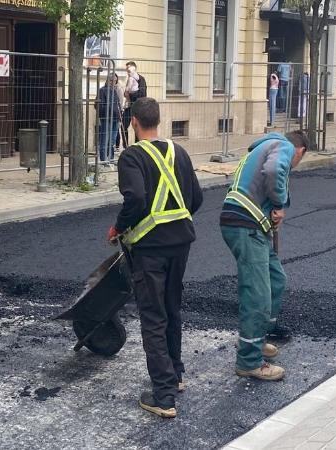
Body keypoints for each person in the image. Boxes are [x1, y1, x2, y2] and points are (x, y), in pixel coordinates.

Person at [107, 97, 203, 418]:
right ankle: (174, 376)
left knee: (153, 316)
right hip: (181, 244)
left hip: (150, 250)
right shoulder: (180, 152)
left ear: (134, 122)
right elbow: (197, 198)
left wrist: (119, 227)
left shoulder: (131, 157)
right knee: (172, 307)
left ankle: (163, 397)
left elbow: (135, 198)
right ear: (158, 120)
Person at [220, 129, 309, 381]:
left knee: (276, 278)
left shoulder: (263, 148)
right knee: (257, 293)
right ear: (300, 151)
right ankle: (249, 360)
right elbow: (273, 172)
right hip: (244, 226)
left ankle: (257, 339)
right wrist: (279, 204)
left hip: (247, 223)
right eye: (298, 160)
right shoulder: (284, 146)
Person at [95, 72, 121, 164]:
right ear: (107, 80)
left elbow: (117, 104)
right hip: (106, 118)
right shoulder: (102, 90)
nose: (113, 83)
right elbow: (97, 105)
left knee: (112, 140)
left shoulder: (114, 91)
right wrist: (108, 110)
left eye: (115, 81)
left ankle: (111, 158)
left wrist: (119, 114)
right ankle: (103, 160)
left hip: (115, 118)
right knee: (105, 138)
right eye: (111, 81)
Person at [122, 61, 145, 145]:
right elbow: (126, 93)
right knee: (123, 126)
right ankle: (125, 146)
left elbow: (142, 94)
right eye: (127, 69)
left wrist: (130, 94)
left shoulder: (141, 79)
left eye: (129, 69)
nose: (127, 71)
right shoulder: (128, 79)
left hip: (138, 107)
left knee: (138, 127)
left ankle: (137, 145)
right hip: (129, 107)